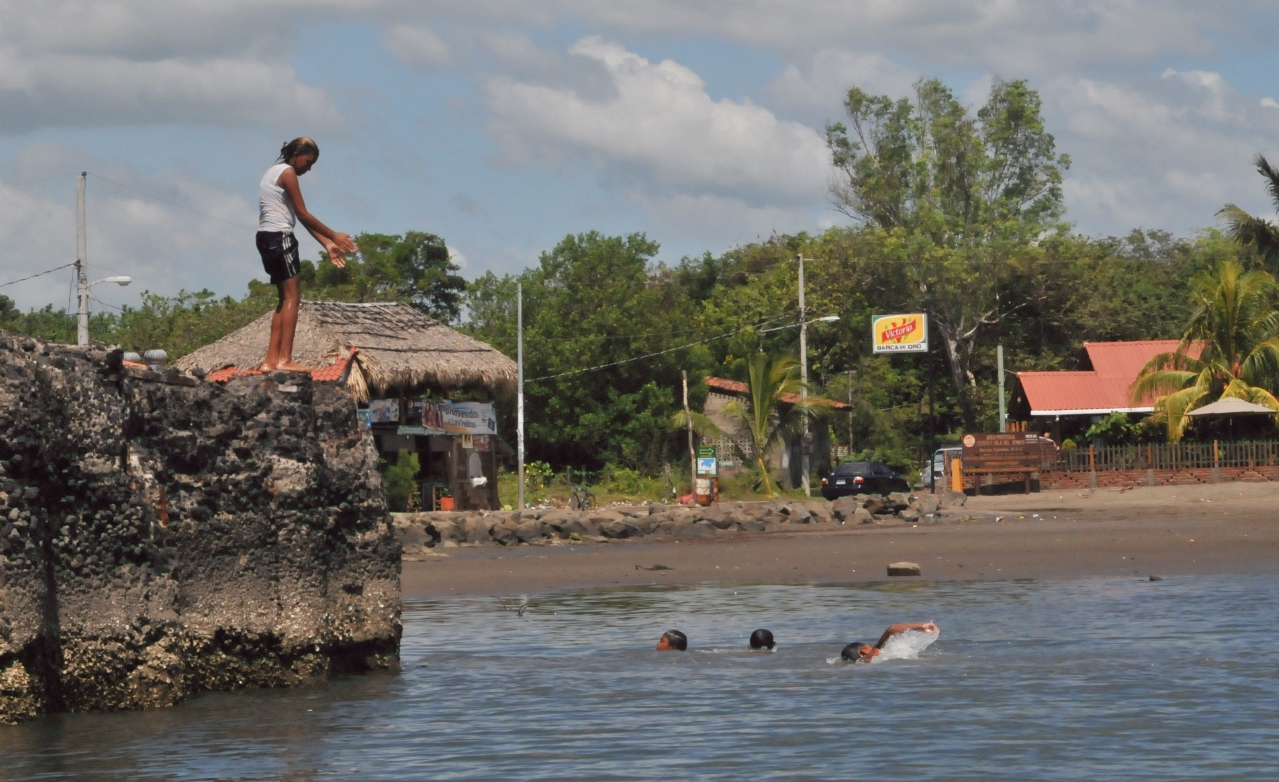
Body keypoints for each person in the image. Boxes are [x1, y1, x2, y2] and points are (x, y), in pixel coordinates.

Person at [257, 137, 357, 371]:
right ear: (295, 156)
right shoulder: (288, 172)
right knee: (293, 297)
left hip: (265, 237)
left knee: (284, 299)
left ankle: (271, 361)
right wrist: (334, 235)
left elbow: (296, 215)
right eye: (308, 162)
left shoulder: (272, 172)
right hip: (280, 238)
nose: (309, 168)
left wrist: (326, 244)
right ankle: (285, 360)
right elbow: (303, 214)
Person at [841, 622, 939, 663]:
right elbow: (890, 630)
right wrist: (920, 626)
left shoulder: (865, 663)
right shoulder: (872, 654)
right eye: (869, 646)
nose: (872, 646)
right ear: (863, 650)